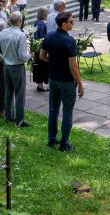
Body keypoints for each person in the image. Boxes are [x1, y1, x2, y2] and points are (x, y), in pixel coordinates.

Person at [40, 11, 84, 151]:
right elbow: (73, 65)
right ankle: (64, 143)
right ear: (64, 24)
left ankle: (51, 139)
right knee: (67, 111)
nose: (73, 23)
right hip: (66, 81)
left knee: (53, 110)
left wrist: (53, 62)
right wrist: (80, 84)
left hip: (53, 79)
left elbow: (42, 55)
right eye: (71, 22)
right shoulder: (69, 41)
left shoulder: (49, 36)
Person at [0, 11, 31, 127]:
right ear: (20, 21)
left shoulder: (4, 32)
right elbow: (22, 56)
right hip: (17, 66)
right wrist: (30, 55)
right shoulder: (20, 35)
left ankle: (8, 116)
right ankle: (20, 120)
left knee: (8, 92)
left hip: (6, 66)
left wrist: (1, 58)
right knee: (19, 93)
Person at [32, 7, 49, 92]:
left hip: (36, 48)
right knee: (43, 67)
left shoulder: (35, 23)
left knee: (38, 67)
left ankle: (39, 84)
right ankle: (41, 85)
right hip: (42, 49)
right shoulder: (43, 25)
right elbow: (45, 38)